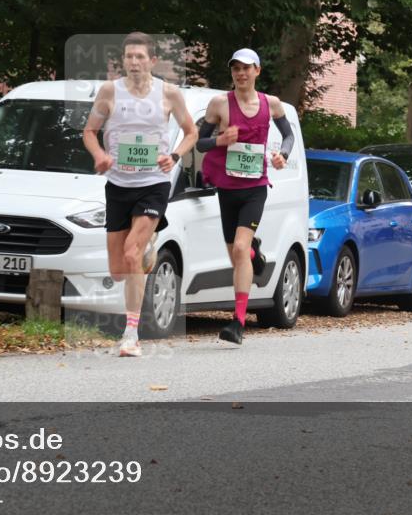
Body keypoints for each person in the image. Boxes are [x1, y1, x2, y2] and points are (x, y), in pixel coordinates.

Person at [83, 32, 199, 357]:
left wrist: (174, 156)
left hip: (153, 184)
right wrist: (99, 156)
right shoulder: (110, 91)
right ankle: (143, 247)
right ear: (123, 61)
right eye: (129, 57)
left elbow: (192, 132)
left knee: (132, 253)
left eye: (140, 57)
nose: (134, 62)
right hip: (118, 186)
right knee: (119, 270)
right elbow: (90, 132)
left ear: (152, 61)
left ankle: (130, 334)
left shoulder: (169, 93)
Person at [197, 48, 294, 345]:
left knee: (239, 248)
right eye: (236, 68)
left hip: (255, 188)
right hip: (227, 189)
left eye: (246, 68)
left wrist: (283, 155)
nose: (241, 73)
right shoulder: (218, 104)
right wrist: (219, 140)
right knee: (238, 254)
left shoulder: (271, 104)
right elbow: (199, 143)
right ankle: (256, 253)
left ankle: (238, 322)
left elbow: (288, 136)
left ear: (257, 71)